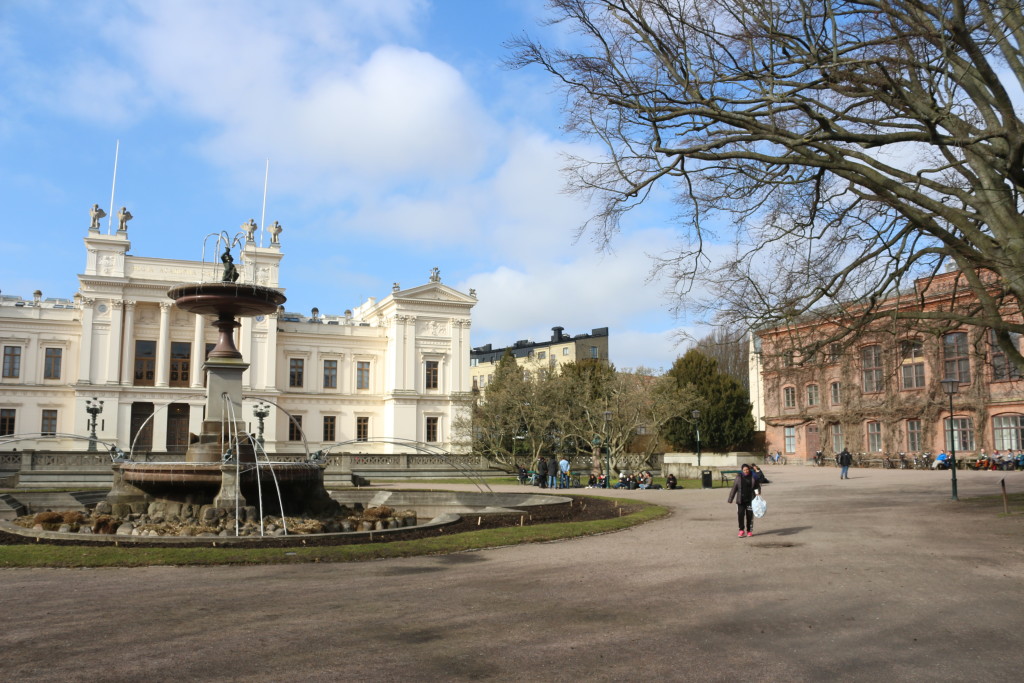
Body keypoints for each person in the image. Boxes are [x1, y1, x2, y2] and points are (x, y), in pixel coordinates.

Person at [727, 464, 762, 537]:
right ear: (742, 470)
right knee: (740, 515)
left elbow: (757, 487)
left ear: (749, 469)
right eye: (744, 470)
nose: (746, 471)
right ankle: (741, 530)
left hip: (750, 499)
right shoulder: (738, 477)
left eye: (747, 470)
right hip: (741, 500)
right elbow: (734, 488)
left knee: (749, 516)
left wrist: (757, 494)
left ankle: (749, 530)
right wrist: (730, 499)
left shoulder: (753, 477)